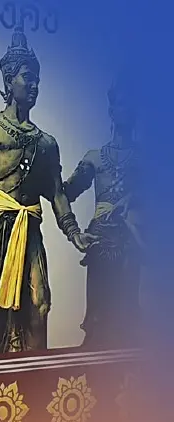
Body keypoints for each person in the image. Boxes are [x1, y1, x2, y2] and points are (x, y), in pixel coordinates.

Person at [0, 27, 97, 354]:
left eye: (37, 79)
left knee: (40, 303)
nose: (34, 85)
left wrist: (74, 232)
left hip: (31, 225)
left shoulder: (46, 143)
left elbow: (56, 193)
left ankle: (35, 375)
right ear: (10, 80)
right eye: (28, 77)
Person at [63, 76, 142, 349]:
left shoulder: (144, 159)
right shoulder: (95, 158)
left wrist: (132, 201)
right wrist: (73, 230)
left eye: (130, 104)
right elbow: (66, 193)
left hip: (129, 241)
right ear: (111, 110)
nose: (125, 110)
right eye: (120, 104)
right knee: (97, 315)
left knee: (128, 311)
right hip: (98, 241)